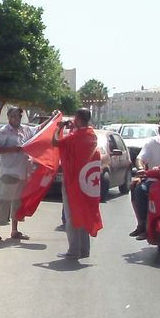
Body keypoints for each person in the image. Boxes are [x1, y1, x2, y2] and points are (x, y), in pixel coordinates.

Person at [52, 108, 98, 259]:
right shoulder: (92, 135)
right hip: (86, 182)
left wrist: (59, 128)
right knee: (83, 213)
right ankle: (84, 249)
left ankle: (74, 250)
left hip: (73, 181)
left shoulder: (75, 136)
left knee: (71, 215)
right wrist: (73, 127)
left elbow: (55, 142)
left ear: (78, 119)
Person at [0, 106, 36, 240]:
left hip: (22, 173)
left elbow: (40, 130)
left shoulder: (26, 130)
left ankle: (14, 230)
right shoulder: (4, 131)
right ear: (8, 117)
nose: (15, 118)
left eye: (18, 116)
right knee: (2, 202)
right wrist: (13, 149)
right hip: (9, 172)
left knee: (17, 203)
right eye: (12, 116)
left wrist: (52, 118)